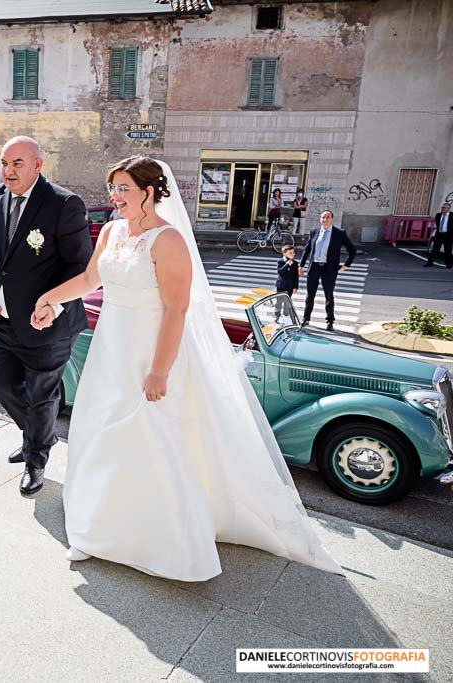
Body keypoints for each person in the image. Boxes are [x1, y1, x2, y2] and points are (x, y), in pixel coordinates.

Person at [33, 154, 343, 580]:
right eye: (114, 188)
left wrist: (159, 371)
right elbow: (90, 281)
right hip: (111, 348)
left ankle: (157, 538)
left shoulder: (168, 241)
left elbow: (177, 309)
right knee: (100, 428)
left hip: (150, 350)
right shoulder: (110, 231)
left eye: (123, 188)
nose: (115, 196)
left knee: (148, 435)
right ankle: (95, 528)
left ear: (149, 191)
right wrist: (49, 298)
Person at [0, 135, 93, 495]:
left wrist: (54, 304)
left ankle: (35, 461)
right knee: (1, 383)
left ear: (38, 164)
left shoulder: (64, 204)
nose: (8, 171)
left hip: (48, 326)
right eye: (4, 164)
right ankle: (41, 436)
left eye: (17, 164)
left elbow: (79, 267)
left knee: (41, 395)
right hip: (3, 321)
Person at [298, 210, 356, 332]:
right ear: (320, 219)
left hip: (328, 268)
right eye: (323, 217)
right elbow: (307, 249)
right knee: (310, 295)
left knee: (328, 295)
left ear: (332, 219)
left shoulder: (339, 233)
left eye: (328, 217)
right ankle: (306, 318)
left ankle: (330, 321)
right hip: (314, 267)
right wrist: (301, 265)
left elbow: (352, 250)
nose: (325, 219)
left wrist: (346, 265)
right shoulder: (315, 231)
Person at [275, 244, 299, 319]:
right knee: (279, 301)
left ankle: (286, 315)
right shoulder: (280, 261)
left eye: (293, 252)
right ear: (284, 253)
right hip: (281, 285)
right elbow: (280, 272)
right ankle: (277, 314)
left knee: (287, 301)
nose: (293, 254)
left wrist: (295, 287)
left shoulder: (295, 263)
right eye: (290, 253)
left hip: (290, 286)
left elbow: (296, 276)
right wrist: (287, 265)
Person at [425, 202, 452, 268]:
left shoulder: (452, 215)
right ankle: (429, 263)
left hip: (448, 235)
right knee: (435, 249)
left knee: (448, 250)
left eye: (444, 207)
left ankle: (448, 264)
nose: (442, 209)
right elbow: (437, 223)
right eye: (442, 207)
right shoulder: (438, 215)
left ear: (448, 209)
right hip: (439, 234)